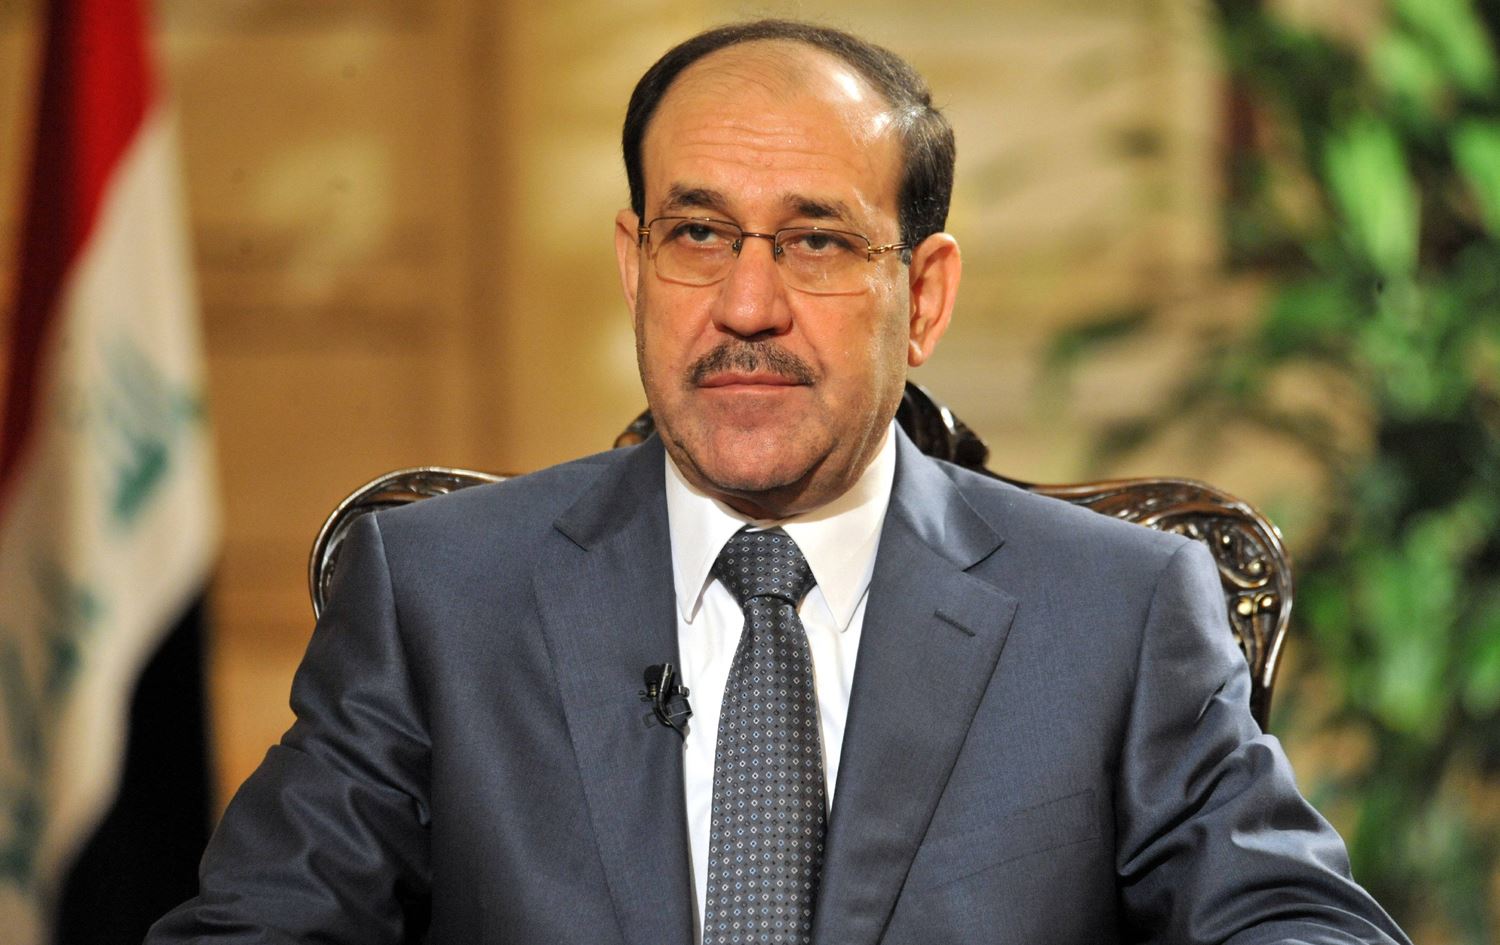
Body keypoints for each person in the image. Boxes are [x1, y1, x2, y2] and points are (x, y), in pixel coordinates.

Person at [148, 19, 1411, 945]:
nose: (746, 306)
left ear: (923, 296)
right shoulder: (441, 594)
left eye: (815, 240)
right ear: (636, 268)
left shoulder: (1116, 612)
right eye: (697, 234)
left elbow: (1298, 926)